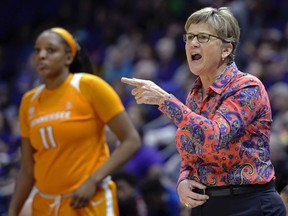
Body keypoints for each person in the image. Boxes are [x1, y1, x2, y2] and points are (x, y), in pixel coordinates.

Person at [121, 6, 286, 216]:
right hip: (205, 206)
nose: (192, 43)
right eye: (189, 37)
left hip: (249, 204)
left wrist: (165, 101)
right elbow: (191, 154)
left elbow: (215, 136)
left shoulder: (247, 88)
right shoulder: (195, 95)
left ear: (226, 49)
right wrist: (183, 180)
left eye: (202, 37)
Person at [8, 27, 141, 216]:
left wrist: (93, 180)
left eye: (50, 50)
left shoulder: (89, 86)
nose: (41, 56)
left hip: (88, 200)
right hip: (45, 205)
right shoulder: (28, 101)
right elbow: (27, 170)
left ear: (68, 58)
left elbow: (131, 140)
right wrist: (13, 211)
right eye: (37, 50)